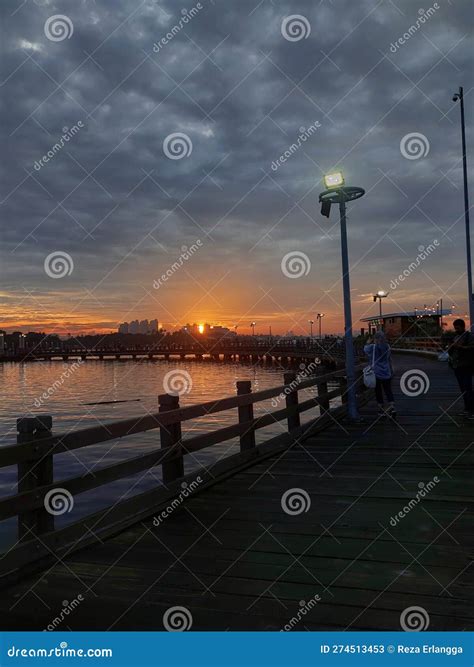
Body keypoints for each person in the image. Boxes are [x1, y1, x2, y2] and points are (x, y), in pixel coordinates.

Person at [364, 331, 396, 417]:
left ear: (376, 338)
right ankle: (392, 407)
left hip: (376, 373)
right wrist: (392, 369)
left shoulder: (372, 347)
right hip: (386, 372)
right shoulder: (387, 346)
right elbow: (389, 358)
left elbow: (365, 349)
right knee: (388, 390)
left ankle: (381, 410)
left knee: (378, 391)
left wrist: (368, 342)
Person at [447, 319, 474, 420]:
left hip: (466, 365)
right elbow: (451, 351)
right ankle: (467, 409)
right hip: (457, 366)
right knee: (463, 389)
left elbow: (472, 348)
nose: (456, 329)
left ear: (463, 326)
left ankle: (471, 410)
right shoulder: (455, 336)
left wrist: (460, 346)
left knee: (468, 388)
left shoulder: (469, 336)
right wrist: (451, 347)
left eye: (457, 328)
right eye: (455, 328)